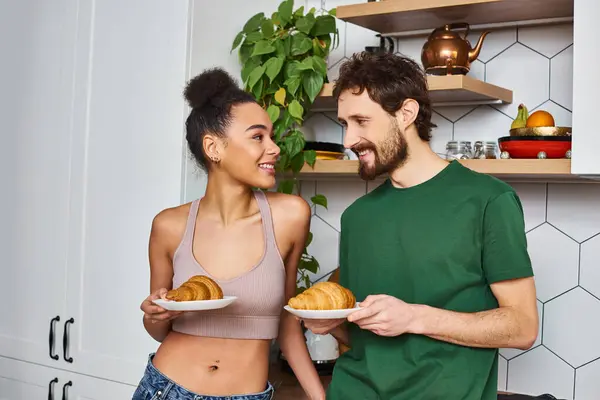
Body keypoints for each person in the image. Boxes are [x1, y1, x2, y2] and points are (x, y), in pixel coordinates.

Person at [302, 52, 539, 400]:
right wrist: (332, 323)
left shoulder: (488, 201)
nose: (349, 140)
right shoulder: (357, 216)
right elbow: (364, 332)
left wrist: (414, 318)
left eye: (361, 121)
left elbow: (523, 327)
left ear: (406, 114)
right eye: (344, 124)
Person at [134, 68, 325, 400]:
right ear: (213, 147)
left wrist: (319, 397)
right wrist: (154, 314)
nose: (275, 148)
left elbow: (288, 325)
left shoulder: (290, 216)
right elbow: (159, 330)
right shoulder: (169, 226)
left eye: (272, 136)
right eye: (257, 136)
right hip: (166, 388)